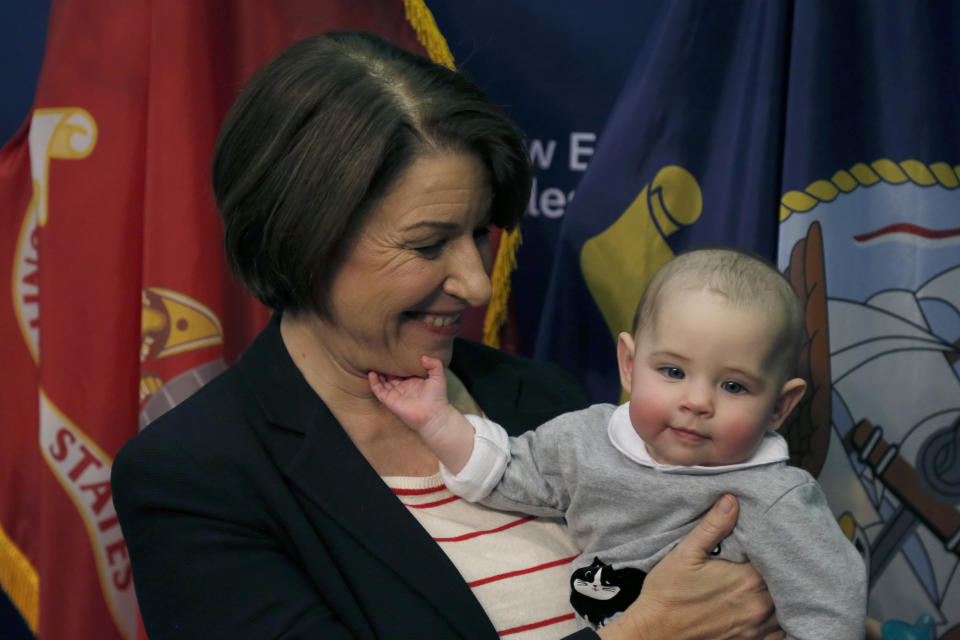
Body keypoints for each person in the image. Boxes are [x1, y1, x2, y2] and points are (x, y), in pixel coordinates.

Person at [112, 31, 785, 640]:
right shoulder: (195, 477)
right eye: (430, 244)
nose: (477, 283)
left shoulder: (535, 395)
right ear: (305, 240)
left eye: (479, 235)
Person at [371, 248, 868, 638]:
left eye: (733, 386)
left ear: (781, 407)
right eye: (672, 371)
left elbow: (829, 605)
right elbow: (510, 473)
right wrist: (438, 421)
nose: (697, 401)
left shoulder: (775, 497)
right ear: (629, 364)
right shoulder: (586, 437)